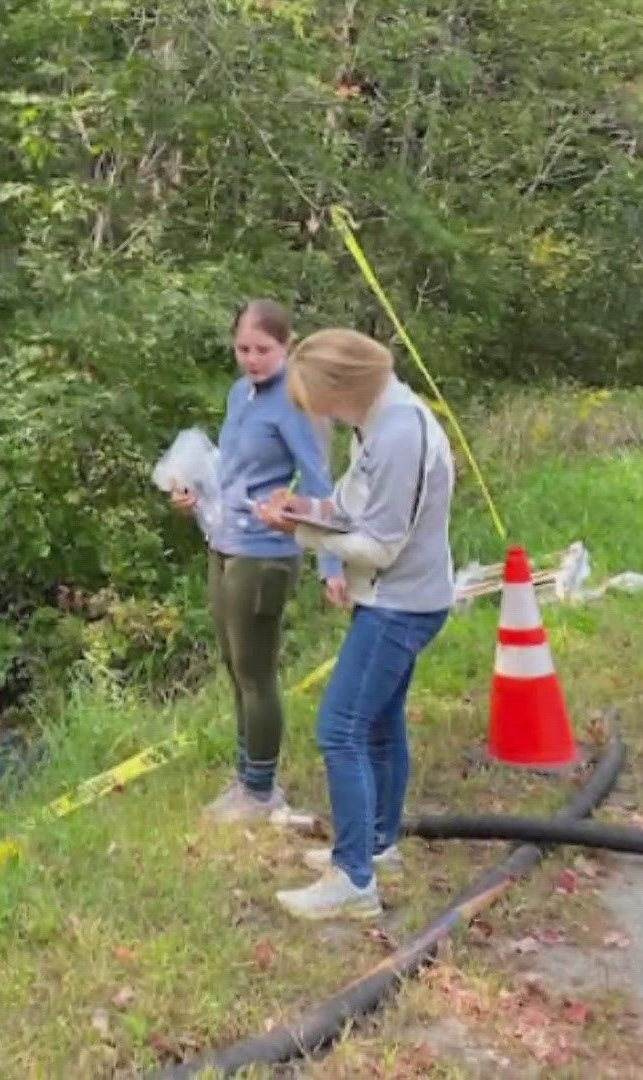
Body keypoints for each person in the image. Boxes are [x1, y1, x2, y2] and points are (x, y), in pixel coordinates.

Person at [252, 327, 455, 921]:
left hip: (400, 602)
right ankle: (377, 844)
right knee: (379, 724)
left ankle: (354, 881)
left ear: (343, 387)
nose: (321, 416)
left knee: (339, 728)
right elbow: (352, 506)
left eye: (319, 401)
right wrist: (300, 506)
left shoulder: (398, 434)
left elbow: (382, 545)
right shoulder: (379, 420)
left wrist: (299, 534)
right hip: (397, 596)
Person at [171, 299, 340, 824]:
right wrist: (197, 495)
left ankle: (262, 791)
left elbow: (318, 485)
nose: (251, 359)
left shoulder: (297, 401)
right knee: (233, 665)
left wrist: (330, 566)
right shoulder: (239, 394)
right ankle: (246, 775)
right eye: (243, 348)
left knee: (256, 672)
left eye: (263, 350)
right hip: (224, 542)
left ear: (287, 345)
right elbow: (235, 473)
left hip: (266, 554)